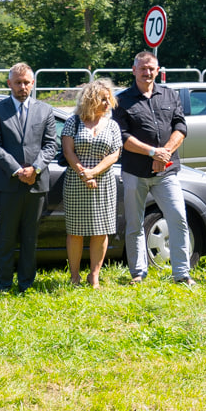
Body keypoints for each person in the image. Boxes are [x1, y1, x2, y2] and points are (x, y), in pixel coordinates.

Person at [113, 51, 193, 285]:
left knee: (178, 218)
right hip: (135, 172)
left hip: (166, 172)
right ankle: (138, 273)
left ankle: (182, 274)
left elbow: (181, 126)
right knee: (134, 224)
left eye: (151, 68)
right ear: (133, 69)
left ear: (157, 70)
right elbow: (122, 136)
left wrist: (164, 153)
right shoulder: (122, 100)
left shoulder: (170, 95)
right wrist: (151, 152)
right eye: (142, 68)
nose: (147, 72)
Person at [0, 63, 57, 292]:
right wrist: (18, 170)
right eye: (18, 82)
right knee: (6, 236)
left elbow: (50, 145)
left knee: (30, 238)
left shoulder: (45, 110)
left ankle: (26, 283)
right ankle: (3, 285)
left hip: (36, 184)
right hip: (9, 184)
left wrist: (34, 169)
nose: (22, 86)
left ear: (33, 83)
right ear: (9, 84)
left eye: (26, 82)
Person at [62, 79, 123, 288]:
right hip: (76, 182)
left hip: (104, 182)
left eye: (109, 99)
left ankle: (94, 275)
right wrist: (83, 174)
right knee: (75, 231)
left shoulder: (112, 125)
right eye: (103, 99)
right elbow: (68, 152)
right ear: (90, 100)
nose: (107, 103)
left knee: (101, 230)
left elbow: (115, 154)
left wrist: (94, 173)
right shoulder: (73, 122)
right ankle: (74, 276)